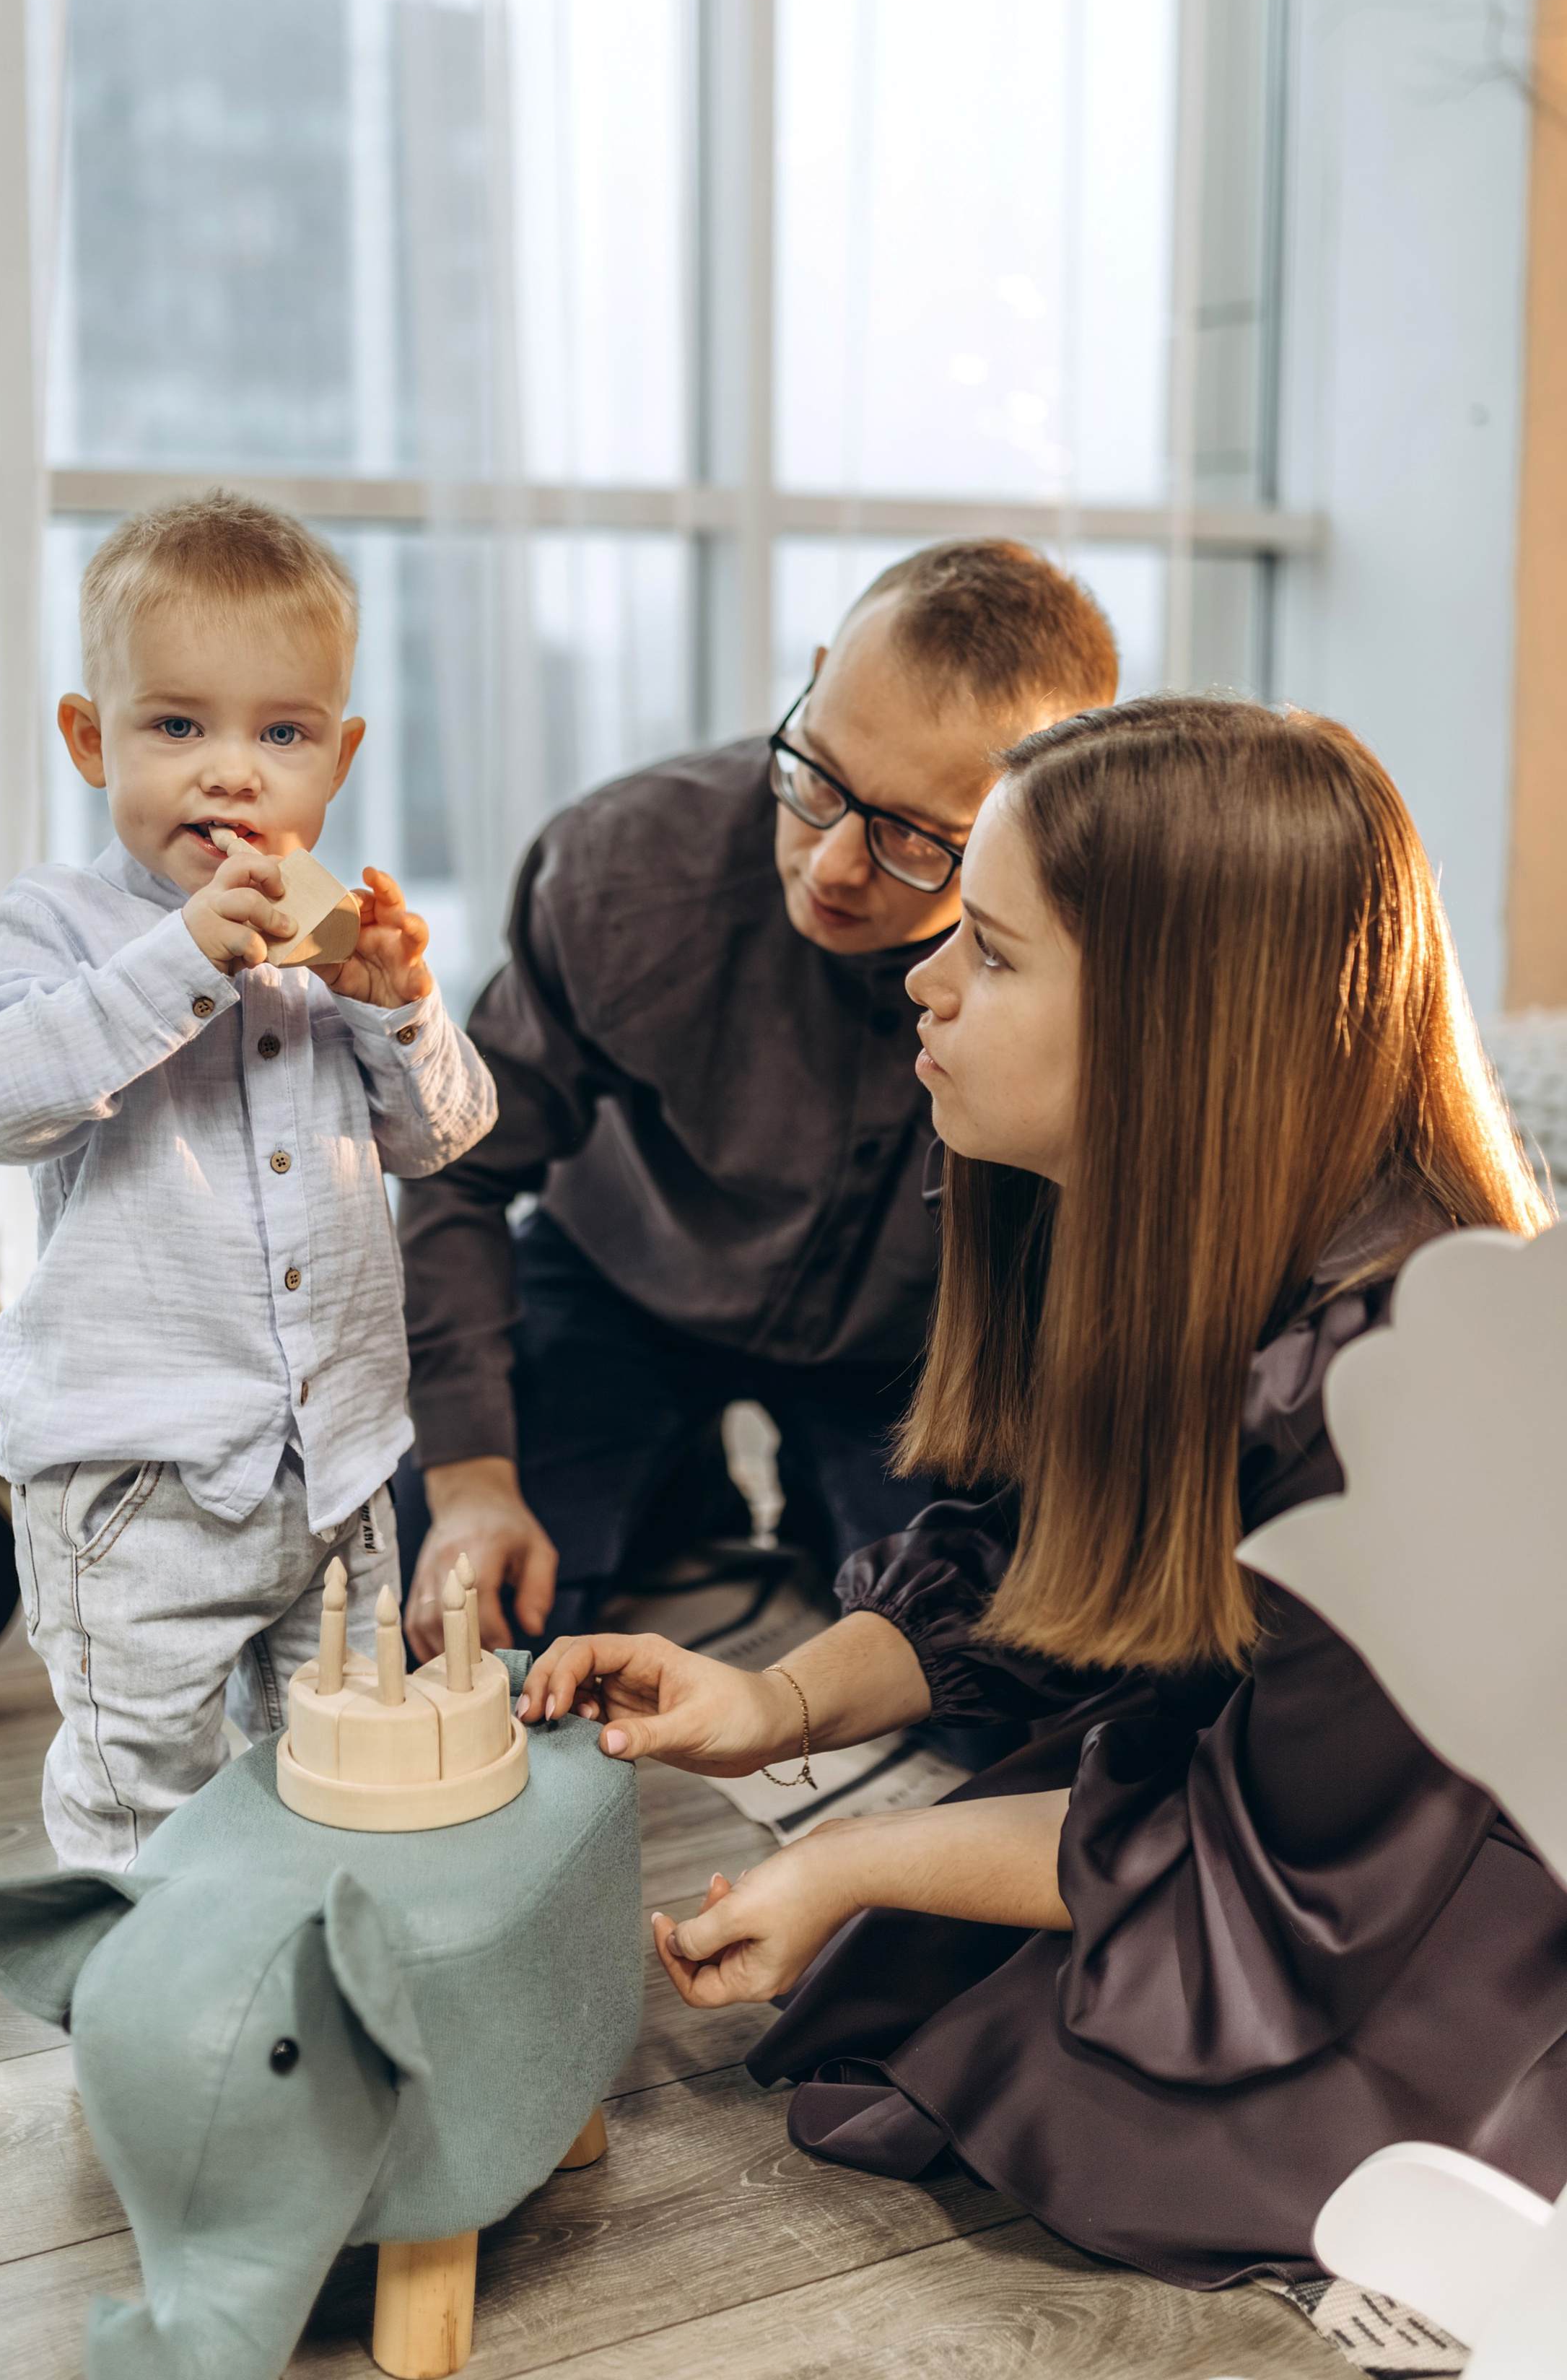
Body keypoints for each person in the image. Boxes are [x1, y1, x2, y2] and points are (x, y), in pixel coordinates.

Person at [522, 695, 1566, 2288]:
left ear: (1177, 1023)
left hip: (1401, 1890)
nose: (917, 982)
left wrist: (851, 1859)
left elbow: (1284, 1871)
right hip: (1270, 1799)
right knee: (921, 2008)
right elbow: (1047, 1562)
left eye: (991, 955)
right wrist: (773, 1705)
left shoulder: (1397, 1395)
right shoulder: (1166, 1232)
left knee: (1099, 2126)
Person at [396, 541, 1119, 1660]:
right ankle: (674, 1490)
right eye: (819, 777)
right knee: (448, 1609)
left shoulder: (1093, 953)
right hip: (617, 1283)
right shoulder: (620, 867)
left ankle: (756, 1512)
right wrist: (473, 1482)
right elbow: (461, 1169)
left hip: (920, 1346)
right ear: (819, 673)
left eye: (918, 838)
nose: (832, 865)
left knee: (1000, 1673)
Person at [0, 492, 495, 1867]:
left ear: (339, 757)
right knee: (145, 1797)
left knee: (341, 1763)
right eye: (177, 725)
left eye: (281, 733)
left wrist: (398, 1008)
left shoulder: (342, 947)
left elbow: (449, 1137)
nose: (232, 774)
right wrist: (180, 961)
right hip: (137, 1489)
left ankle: (301, 1996)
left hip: (340, 1470)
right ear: (91, 738)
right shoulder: (57, 926)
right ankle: (149, 2036)